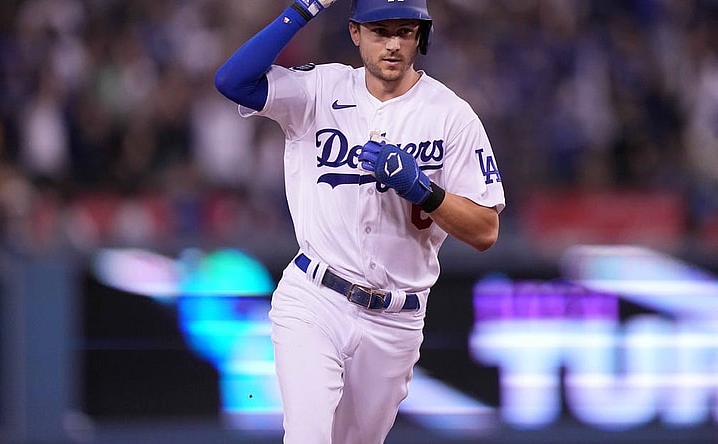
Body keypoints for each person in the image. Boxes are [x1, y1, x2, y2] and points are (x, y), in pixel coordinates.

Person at [214, 0, 505, 442]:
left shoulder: (452, 115)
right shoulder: (318, 88)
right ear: (355, 33)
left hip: (396, 319)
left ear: (420, 36)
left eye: (404, 31)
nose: (392, 44)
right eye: (379, 30)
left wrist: (423, 189)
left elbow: (485, 230)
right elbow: (232, 80)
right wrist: (304, 8)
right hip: (315, 298)